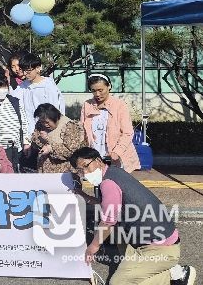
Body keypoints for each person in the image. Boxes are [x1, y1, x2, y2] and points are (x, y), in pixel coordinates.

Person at [70, 147, 197, 285]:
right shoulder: (113, 171)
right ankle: (140, 267)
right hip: (160, 240)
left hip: (161, 249)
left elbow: (108, 221)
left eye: (86, 166)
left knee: (118, 283)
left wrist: (93, 247)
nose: (85, 173)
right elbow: (107, 203)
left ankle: (176, 276)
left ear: (98, 161)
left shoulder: (108, 184)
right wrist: (85, 197)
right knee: (117, 231)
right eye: (80, 170)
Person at [80, 74, 141, 172]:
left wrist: (117, 152)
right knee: (97, 180)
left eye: (100, 90)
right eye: (93, 91)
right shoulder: (87, 105)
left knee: (114, 180)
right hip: (95, 155)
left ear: (109, 86)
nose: (97, 94)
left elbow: (128, 133)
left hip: (116, 156)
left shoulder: (120, 105)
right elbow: (82, 130)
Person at [11, 53, 65, 135]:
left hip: (48, 133)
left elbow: (55, 112)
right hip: (29, 133)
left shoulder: (49, 87)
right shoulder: (22, 87)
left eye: (28, 70)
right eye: (23, 70)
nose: (25, 73)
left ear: (38, 68)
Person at [29, 103, 85, 173]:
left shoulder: (69, 125)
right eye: (42, 122)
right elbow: (34, 140)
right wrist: (40, 141)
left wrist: (50, 147)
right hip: (43, 170)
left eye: (47, 122)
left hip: (63, 171)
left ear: (55, 117)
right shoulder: (40, 125)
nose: (45, 125)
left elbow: (71, 151)